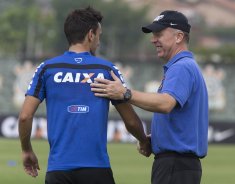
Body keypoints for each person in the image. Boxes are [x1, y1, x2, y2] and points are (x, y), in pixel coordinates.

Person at [18, 6, 151, 184]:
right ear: (91, 34)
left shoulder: (47, 69)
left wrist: (27, 150)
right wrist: (143, 140)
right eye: (99, 36)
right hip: (97, 170)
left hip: (58, 171)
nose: (99, 41)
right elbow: (131, 121)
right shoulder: (105, 70)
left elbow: (25, 117)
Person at [91, 10, 209, 184]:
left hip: (175, 165)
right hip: (178, 165)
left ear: (178, 37)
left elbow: (166, 103)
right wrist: (158, 139)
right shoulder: (185, 66)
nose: (154, 39)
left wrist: (125, 93)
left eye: (159, 34)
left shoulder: (181, 67)